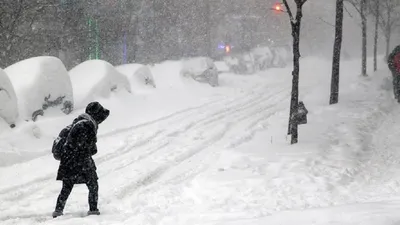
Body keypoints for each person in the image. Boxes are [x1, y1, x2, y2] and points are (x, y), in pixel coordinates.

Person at [52, 101, 110, 218]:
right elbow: (92, 149)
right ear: (96, 115)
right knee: (93, 184)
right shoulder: (87, 125)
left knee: (67, 187)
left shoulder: (77, 122)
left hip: (68, 161)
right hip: (81, 161)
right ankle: (93, 211)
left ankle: (58, 211)